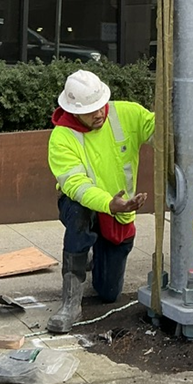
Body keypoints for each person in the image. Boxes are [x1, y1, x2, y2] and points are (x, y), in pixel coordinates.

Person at [47, 67, 155, 332]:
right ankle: (71, 303)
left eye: (101, 105)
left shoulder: (127, 113)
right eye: (90, 110)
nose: (98, 113)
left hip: (120, 213)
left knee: (108, 293)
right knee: (79, 214)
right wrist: (109, 203)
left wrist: (167, 105)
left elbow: (161, 133)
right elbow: (76, 186)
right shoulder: (61, 137)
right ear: (72, 111)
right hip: (92, 206)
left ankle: (97, 256)